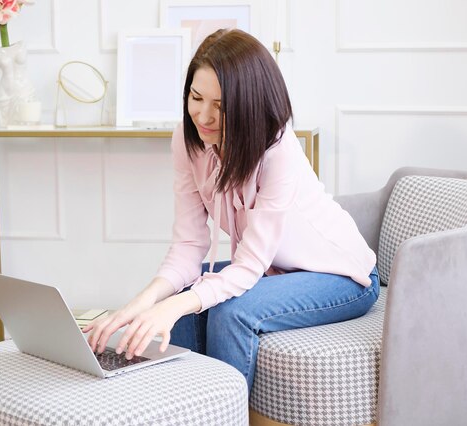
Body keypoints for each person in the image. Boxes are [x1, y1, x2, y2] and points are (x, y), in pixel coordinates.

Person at [85, 28, 379, 392]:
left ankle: (221, 413)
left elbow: (249, 266)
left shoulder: (278, 151)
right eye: (196, 97)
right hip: (274, 272)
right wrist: (140, 304)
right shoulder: (188, 140)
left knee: (230, 311)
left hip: (342, 276)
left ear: (248, 105)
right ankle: (184, 410)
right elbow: (188, 247)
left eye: (220, 107)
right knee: (183, 298)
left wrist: (175, 305)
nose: (203, 116)